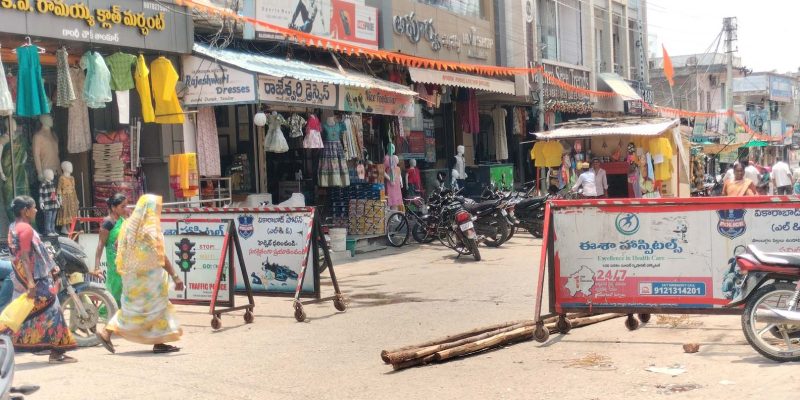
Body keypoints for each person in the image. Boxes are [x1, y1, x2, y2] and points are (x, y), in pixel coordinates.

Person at [96, 195, 184, 354]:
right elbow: (161, 256)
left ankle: (158, 342)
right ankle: (107, 331)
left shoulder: (128, 226)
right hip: (148, 281)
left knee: (136, 309)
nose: (158, 212)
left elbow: (117, 245)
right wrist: (175, 276)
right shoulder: (148, 229)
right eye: (156, 208)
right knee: (153, 309)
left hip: (133, 278)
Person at [6, 196, 77, 363]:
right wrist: (31, 283)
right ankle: (57, 353)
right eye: (34, 207)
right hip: (35, 279)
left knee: (30, 314)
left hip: (21, 278)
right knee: (54, 311)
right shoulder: (26, 229)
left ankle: (42, 346)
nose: (36, 210)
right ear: (25, 211)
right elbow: (24, 257)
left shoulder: (13, 227)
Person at [93, 193, 128, 306]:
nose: (125, 209)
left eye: (126, 206)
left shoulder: (123, 220)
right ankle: (108, 311)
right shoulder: (108, 222)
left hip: (125, 261)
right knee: (115, 289)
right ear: (113, 208)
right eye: (122, 206)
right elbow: (100, 245)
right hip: (114, 263)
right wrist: (97, 267)